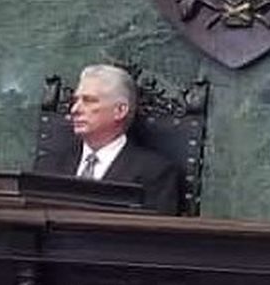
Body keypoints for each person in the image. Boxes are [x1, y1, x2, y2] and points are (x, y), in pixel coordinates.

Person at [37, 64, 183, 215]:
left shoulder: (155, 173)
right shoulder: (48, 166)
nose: (75, 109)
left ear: (120, 110)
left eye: (89, 100)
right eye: (75, 100)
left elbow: (156, 234)